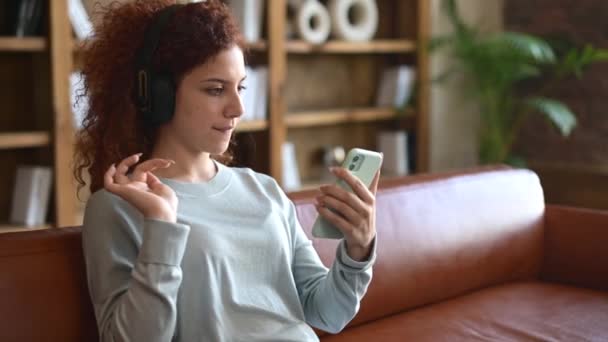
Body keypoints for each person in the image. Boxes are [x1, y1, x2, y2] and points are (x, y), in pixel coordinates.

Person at [74, 1, 379, 341]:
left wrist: (358, 250)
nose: (237, 109)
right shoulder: (117, 207)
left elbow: (329, 313)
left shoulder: (264, 190)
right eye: (216, 89)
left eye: (240, 87)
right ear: (157, 95)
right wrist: (161, 227)